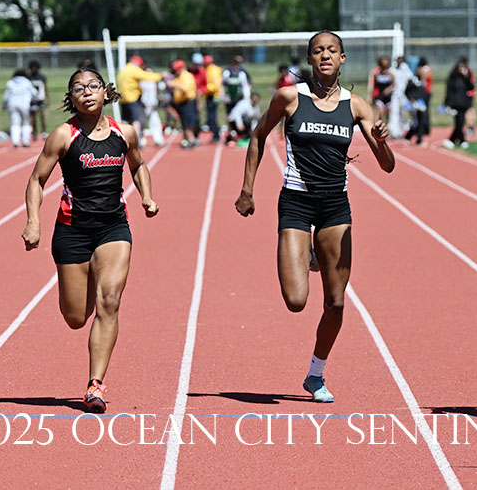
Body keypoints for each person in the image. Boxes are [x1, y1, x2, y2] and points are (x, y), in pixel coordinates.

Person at [235, 31, 395, 403]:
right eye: (318, 50)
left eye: (332, 50)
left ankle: (315, 374)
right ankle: (305, 250)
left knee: (336, 303)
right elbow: (258, 136)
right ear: (309, 59)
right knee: (295, 300)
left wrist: (382, 140)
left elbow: (387, 166)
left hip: (335, 207)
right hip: (297, 201)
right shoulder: (290, 97)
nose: (325, 55)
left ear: (342, 58)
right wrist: (247, 189)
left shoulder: (357, 107)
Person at [22, 66, 157, 413]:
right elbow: (36, 180)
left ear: (105, 92)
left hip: (113, 228)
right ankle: (89, 277)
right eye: (79, 88)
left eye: (93, 85)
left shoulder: (124, 132)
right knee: (76, 317)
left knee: (109, 300)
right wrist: (33, 222)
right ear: (71, 98)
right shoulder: (63, 136)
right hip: (72, 230)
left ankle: (95, 385)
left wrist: (147, 196)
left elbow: (138, 165)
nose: (87, 92)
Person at [115, 55, 161, 141]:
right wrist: (161, 76)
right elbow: (146, 76)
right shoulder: (133, 70)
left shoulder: (123, 70)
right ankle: (135, 140)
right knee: (137, 120)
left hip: (123, 100)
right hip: (132, 99)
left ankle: (125, 140)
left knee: (126, 121)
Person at [444, 58, 474, 149]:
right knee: (459, 122)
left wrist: (466, 76)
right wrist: (447, 103)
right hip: (455, 104)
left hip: (464, 103)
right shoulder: (453, 79)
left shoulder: (465, 78)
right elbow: (449, 92)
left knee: (460, 122)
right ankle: (461, 140)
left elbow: (471, 87)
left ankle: (452, 140)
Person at [169, 59, 199, 148]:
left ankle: (191, 140)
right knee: (185, 122)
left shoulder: (186, 76)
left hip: (188, 103)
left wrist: (173, 84)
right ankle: (187, 139)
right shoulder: (178, 76)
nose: (176, 71)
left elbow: (185, 89)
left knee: (188, 123)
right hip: (181, 103)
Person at [4, 69, 37, 148]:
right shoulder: (27, 82)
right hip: (24, 105)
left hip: (12, 104)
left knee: (15, 123)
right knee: (26, 122)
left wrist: (4, 105)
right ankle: (25, 141)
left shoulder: (10, 83)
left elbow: (6, 96)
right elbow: (34, 93)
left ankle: (15, 141)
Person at [411, 57, 432, 146]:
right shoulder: (414, 80)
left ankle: (419, 136)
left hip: (424, 97)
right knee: (417, 119)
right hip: (418, 99)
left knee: (422, 117)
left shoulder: (425, 73)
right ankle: (412, 135)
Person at [27, 60, 48, 138]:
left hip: (40, 99)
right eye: (33, 67)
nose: (34, 69)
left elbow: (45, 87)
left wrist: (47, 99)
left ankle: (44, 131)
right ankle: (34, 132)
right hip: (32, 99)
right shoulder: (28, 77)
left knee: (42, 116)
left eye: (36, 67)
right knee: (33, 117)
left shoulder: (41, 77)